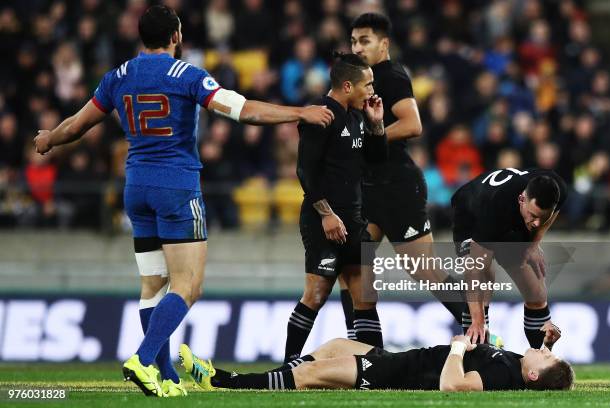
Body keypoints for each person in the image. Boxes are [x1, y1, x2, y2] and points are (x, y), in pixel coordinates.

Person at [33, 5, 333, 397]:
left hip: (135, 186)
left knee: (152, 286)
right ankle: (143, 358)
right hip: (175, 186)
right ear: (176, 36)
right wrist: (300, 112)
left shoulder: (117, 76)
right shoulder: (186, 75)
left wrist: (49, 138)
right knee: (188, 286)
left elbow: (78, 124)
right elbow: (242, 110)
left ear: (142, 37)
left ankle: (165, 378)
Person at [340, 12, 465, 342]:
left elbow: (413, 125)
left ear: (384, 44)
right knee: (352, 268)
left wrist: (367, 139)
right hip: (367, 188)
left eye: (364, 40)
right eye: (353, 41)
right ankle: (366, 351)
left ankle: (478, 325)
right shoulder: (356, 78)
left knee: (424, 271)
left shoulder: (390, 76)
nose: (357, 46)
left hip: (397, 187)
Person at [283, 53, 387, 363]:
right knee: (316, 295)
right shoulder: (320, 115)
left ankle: (375, 364)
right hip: (322, 219)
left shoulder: (357, 115)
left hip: (354, 219)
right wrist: (327, 214)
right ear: (347, 85)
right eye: (367, 84)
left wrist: (377, 126)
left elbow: (376, 162)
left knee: (366, 296)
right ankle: (289, 363)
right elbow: (305, 171)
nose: (371, 90)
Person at [178, 325, 571, 392]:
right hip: (402, 359)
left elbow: (454, 385)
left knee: (312, 374)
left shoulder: (506, 375)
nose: (542, 351)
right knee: (334, 344)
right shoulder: (517, 362)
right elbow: (500, 351)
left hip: (396, 374)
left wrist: (456, 350)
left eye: (545, 356)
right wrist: (542, 338)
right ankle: (268, 378)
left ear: (533, 376)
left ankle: (222, 380)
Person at [451, 167, 567, 347]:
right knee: (485, 275)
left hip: (511, 215)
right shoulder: (495, 210)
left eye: (542, 217)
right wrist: (478, 319)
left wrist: (533, 245)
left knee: (536, 292)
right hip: (470, 210)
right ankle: (478, 349)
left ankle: (540, 359)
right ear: (522, 199)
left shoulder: (556, 189)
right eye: (534, 216)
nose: (537, 223)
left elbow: (551, 213)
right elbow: (475, 269)